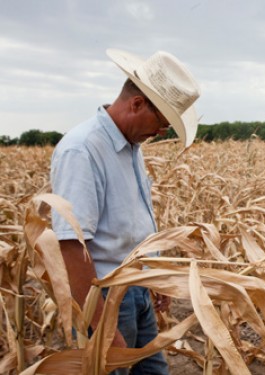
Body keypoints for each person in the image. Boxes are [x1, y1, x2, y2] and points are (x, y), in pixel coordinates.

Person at [50, 49, 201, 374]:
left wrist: (154, 273)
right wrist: (105, 331)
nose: (161, 133)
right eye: (162, 123)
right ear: (137, 104)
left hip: (138, 292)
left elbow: (133, 223)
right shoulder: (83, 150)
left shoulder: (131, 146)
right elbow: (71, 248)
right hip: (106, 298)